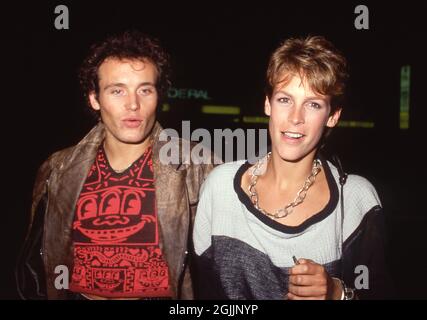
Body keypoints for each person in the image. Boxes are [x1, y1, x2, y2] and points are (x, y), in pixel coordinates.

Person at [16, 30, 214, 300]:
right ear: (94, 99)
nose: (133, 104)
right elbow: (35, 264)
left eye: (145, 90)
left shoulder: (198, 166)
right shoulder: (57, 169)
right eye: (117, 90)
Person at [193, 36, 392, 300]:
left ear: (333, 116)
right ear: (268, 104)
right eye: (285, 100)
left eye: (313, 104)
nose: (295, 118)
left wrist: (338, 293)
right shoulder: (219, 188)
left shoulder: (356, 199)